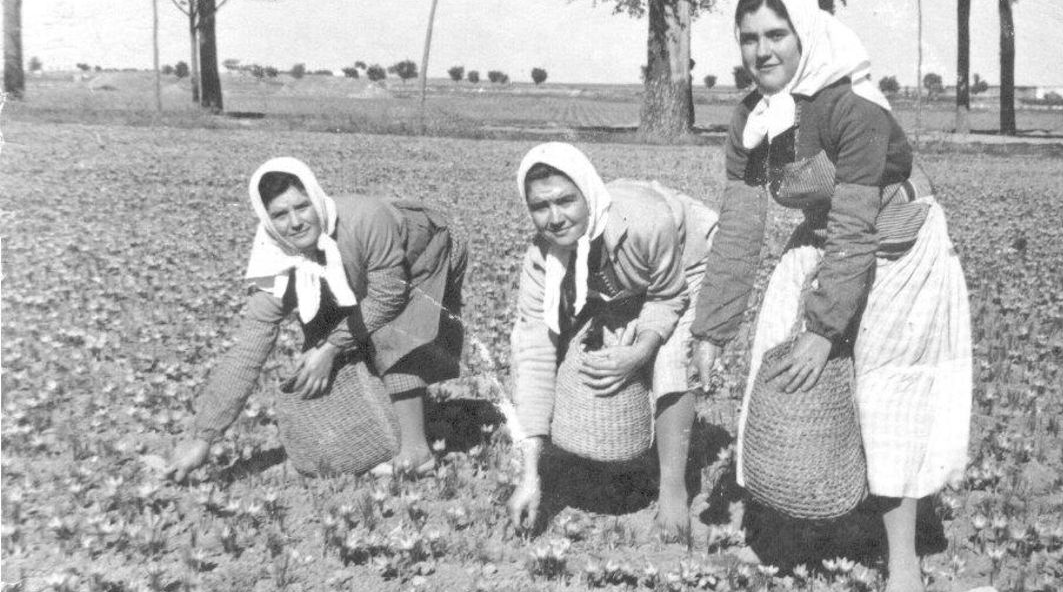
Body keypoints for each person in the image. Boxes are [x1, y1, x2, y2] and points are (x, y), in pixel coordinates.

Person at [690, 0, 971, 592]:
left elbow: (859, 222)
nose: (763, 51)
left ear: (805, 33)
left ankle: (903, 560)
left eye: (776, 34)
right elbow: (738, 224)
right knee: (776, 362)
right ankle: (784, 531)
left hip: (899, 244)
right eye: (749, 37)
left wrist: (825, 327)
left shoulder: (853, 106)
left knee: (885, 389)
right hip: (829, 239)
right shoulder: (749, 117)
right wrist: (712, 329)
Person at [164, 157, 467, 481]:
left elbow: (388, 298)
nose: (295, 222)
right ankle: (376, 429)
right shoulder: (271, 259)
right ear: (267, 220)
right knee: (330, 345)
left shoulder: (365, 220)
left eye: (302, 206)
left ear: (316, 198)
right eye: (280, 214)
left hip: (422, 254)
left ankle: (415, 453)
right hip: (355, 271)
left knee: (393, 336)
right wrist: (203, 437)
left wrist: (332, 347)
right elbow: (247, 350)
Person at [506, 142, 717, 541]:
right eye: (540, 207)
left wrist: (639, 352)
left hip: (683, 261)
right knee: (559, 343)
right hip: (615, 278)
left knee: (670, 355)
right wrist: (530, 475)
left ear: (587, 192)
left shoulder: (645, 223)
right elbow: (535, 353)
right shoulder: (541, 260)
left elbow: (667, 295)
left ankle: (673, 488)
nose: (554, 218)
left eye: (566, 201)